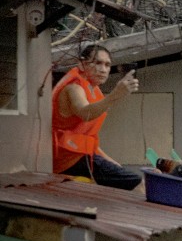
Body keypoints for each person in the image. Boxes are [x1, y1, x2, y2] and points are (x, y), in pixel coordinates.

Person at [52, 44, 142, 190]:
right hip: (67, 158)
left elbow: (89, 140)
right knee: (136, 183)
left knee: (125, 174)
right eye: (98, 63)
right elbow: (85, 113)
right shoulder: (74, 88)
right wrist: (115, 94)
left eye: (107, 65)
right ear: (81, 64)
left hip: (80, 156)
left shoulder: (93, 90)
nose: (103, 69)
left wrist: (113, 163)